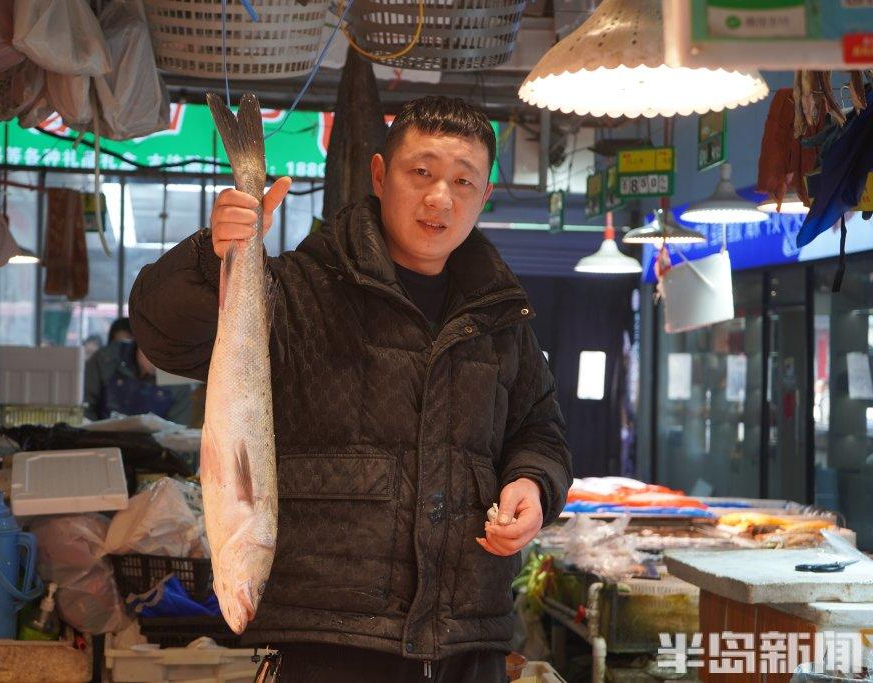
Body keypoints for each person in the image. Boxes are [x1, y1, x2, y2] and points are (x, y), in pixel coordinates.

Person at [130, 96, 572, 682]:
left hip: (468, 642)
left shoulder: (502, 319)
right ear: (380, 176)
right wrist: (210, 258)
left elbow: (540, 429)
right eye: (422, 172)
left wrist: (532, 483)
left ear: (484, 195)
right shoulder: (299, 292)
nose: (440, 197)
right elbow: (166, 336)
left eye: (463, 181)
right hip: (329, 642)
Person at [83, 317, 193, 425]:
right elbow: (84, 408)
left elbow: (178, 427)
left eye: (171, 355)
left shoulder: (178, 378)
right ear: (142, 340)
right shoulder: (106, 360)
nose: (162, 361)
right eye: (157, 352)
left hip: (156, 437)